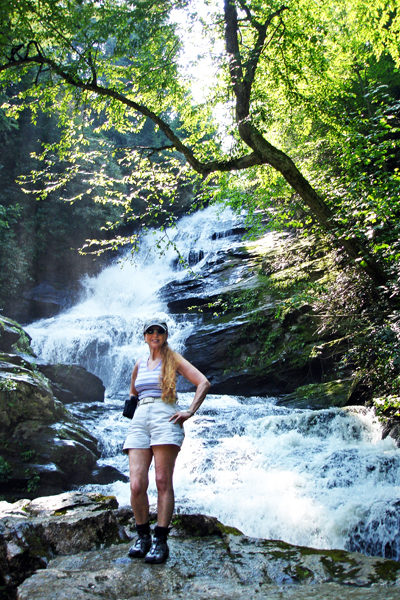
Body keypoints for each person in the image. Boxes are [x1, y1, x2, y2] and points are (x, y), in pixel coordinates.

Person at [123, 318, 211, 564]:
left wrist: (190, 411)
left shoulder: (174, 359)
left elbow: (203, 382)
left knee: (163, 481)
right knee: (137, 484)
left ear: (165, 335)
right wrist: (132, 404)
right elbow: (133, 392)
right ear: (144, 337)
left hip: (165, 415)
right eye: (150, 331)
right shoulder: (139, 364)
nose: (154, 335)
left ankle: (160, 540)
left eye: (159, 331)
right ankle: (143, 537)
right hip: (140, 419)